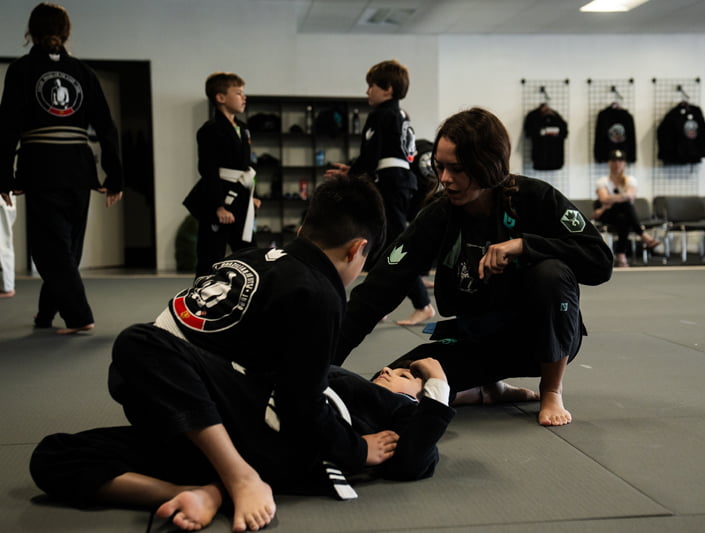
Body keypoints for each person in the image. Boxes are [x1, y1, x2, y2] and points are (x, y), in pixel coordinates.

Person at [29, 176, 396, 532]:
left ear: (302, 229)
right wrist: (357, 451)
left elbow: (300, 401)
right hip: (191, 421)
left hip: (233, 422)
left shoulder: (265, 265)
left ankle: (237, 475)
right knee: (53, 456)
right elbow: (301, 405)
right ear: (356, 249)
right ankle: (203, 490)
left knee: (140, 343)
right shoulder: (318, 290)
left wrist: (354, 449)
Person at [334, 107, 614, 427]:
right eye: (440, 167)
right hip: (481, 341)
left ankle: (551, 389)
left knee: (552, 273)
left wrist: (525, 246)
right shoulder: (439, 215)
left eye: (457, 169)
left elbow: (600, 261)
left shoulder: (536, 198)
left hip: (541, 340)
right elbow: (378, 289)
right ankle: (484, 390)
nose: (445, 179)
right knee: (389, 387)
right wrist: (324, 364)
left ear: (487, 164)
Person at [30, 356, 454, 532]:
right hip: (210, 427)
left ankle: (217, 485)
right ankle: (199, 491)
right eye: (391, 368)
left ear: (416, 400)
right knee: (53, 455)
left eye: (403, 375)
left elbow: (413, 459)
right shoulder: (342, 377)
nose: (388, 370)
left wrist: (437, 382)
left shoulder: (393, 412)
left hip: (253, 444)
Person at [0, 2, 124, 333]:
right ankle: (45, 314)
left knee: (50, 250)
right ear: (66, 32)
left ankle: (80, 316)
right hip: (79, 168)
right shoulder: (83, 72)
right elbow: (106, 127)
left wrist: (4, 176)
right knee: (65, 248)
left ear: (31, 32)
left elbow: (7, 127)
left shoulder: (21, 70)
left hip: (41, 166)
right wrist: (115, 176)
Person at [324, 59, 434, 326]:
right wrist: (353, 170)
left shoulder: (380, 115)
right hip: (401, 181)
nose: (367, 91)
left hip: (390, 183)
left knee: (397, 246)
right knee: (380, 245)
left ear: (387, 89)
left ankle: (423, 304)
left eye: (371, 86)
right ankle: (379, 304)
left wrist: (352, 174)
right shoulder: (401, 115)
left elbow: (371, 155)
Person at [183, 72, 261, 278]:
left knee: (249, 255)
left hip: (241, 197)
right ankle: (202, 294)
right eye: (238, 93)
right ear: (220, 98)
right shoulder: (210, 130)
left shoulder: (243, 129)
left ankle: (249, 292)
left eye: (243, 93)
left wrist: (252, 196)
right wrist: (218, 206)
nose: (244, 97)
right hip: (218, 200)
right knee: (210, 256)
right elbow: (208, 170)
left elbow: (246, 168)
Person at [593, 149, 661, 268]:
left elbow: (629, 196)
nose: (617, 163)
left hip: (619, 215)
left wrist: (612, 199)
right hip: (606, 214)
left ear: (624, 163)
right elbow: (604, 199)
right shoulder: (602, 181)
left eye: (620, 161)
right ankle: (642, 235)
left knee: (623, 218)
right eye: (614, 160)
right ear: (609, 163)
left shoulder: (630, 180)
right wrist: (623, 196)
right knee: (626, 205)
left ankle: (621, 255)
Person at [0, 193, 15, 298]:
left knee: (3, 244)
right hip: (4, 199)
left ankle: (8, 287)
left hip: (3, 200)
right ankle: (7, 286)